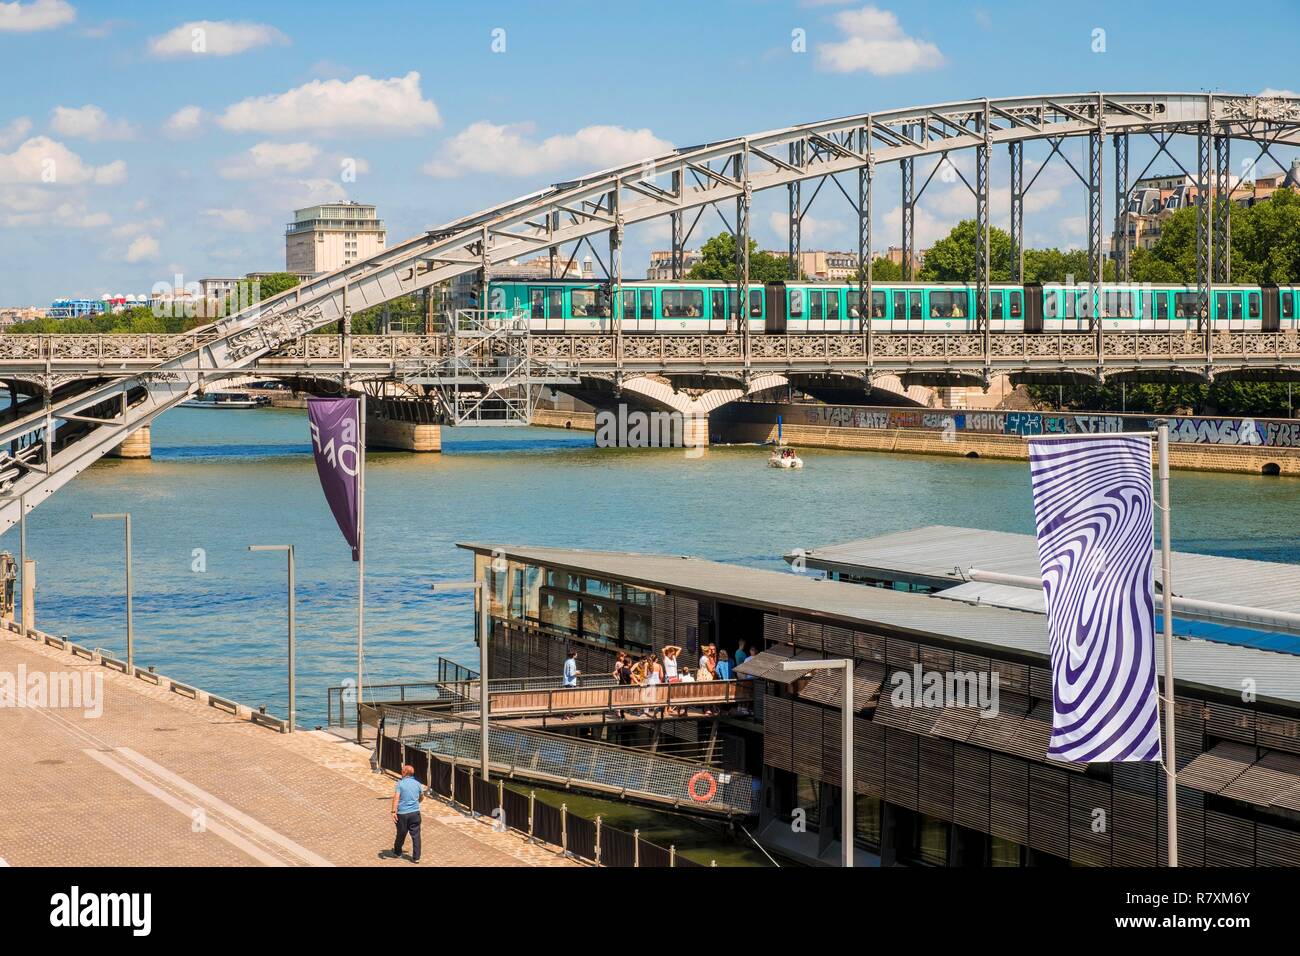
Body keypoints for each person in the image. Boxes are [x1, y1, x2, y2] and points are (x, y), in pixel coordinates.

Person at [389, 764, 424, 863]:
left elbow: (396, 798)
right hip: (415, 813)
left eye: (402, 770)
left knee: (401, 833)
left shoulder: (400, 784)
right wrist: (417, 802)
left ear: (404, 773)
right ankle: (416, 857)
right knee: (416, 835)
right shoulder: (418, 784)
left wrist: (393, 811)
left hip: (402, 814)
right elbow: (421, 797)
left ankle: (397, 852)